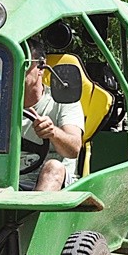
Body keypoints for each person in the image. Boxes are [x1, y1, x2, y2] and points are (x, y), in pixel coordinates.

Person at [20, 38, 83, 191]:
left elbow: (74, 149)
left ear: (41, 67)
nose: (15, 71)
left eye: (23, 64)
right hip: (8, 178)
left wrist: (53, 132)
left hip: (54, 182)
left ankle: (32, 213)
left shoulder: (62, 101)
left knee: (53, 167)